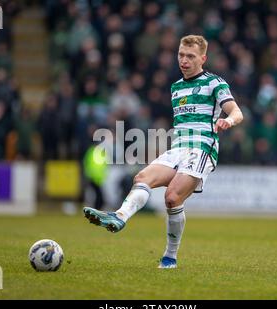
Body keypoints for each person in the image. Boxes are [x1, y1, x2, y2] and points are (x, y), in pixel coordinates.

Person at [83, 35, 243, 268]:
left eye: (190, 56)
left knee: (172, 197)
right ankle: (119, 216)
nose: (184, 60)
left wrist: (228, 121)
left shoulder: (215, 83)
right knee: (142, 177)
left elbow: (237, 111)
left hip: (202, 148)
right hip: (178, 147)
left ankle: (170, 257)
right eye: (181, 55)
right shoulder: (176, 87)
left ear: (203, 58)